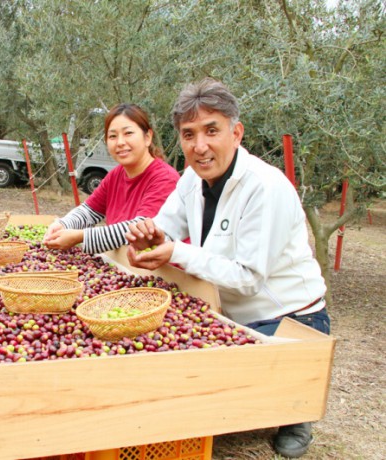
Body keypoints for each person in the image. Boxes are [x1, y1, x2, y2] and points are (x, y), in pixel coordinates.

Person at [125, 78, 329, 459]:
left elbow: (248, 278)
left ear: (236, 133)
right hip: (227, 311)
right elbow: (166, 224)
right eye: (189, 135)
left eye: (211, 131)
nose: (200, 146)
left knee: (220, 404)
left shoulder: (264, 187)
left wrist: (174, 254)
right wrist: (148, 236)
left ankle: (296, 409)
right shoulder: (192, 177)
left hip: (289, 317)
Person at [42, 103, 180, 254]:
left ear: (147, 137)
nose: (120, 142)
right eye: (113, 136)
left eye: (128, 133)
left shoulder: (165, 179)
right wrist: (64, 225)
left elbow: (140, 229)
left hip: (163, 274)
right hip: (127, 266)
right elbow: (89, 211)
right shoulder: (116, 175)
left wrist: (80, 236)